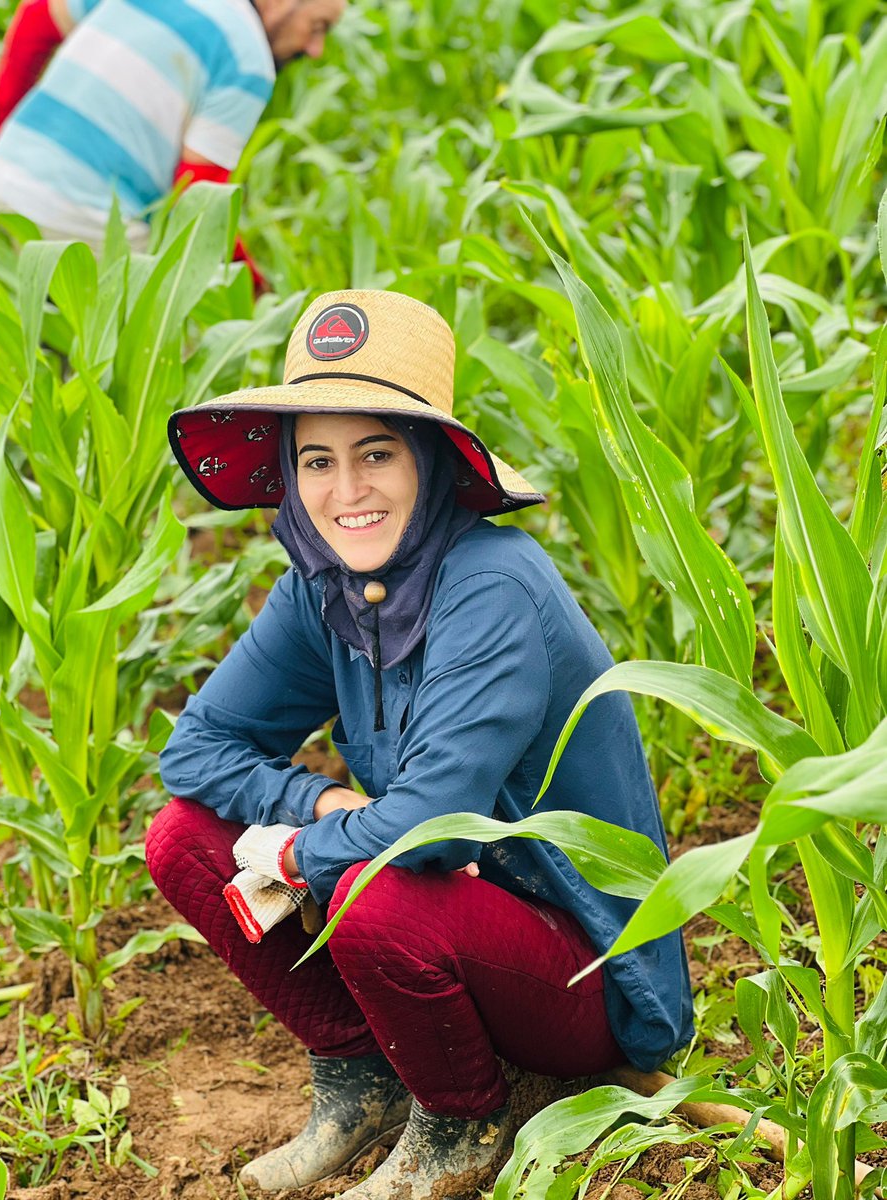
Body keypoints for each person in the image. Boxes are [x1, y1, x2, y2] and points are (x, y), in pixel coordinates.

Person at [146, 289, 694, 1198]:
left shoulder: (491, 587)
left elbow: (428, 834)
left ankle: (463, 1122)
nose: (345, 491)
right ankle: (364, 1077)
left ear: (433, 462)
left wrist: (295, 848)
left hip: (579, 967)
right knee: (182, 837)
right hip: (447, 914)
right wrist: (319, 804)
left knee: (371, 887)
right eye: (316, 459)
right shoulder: (322, 585)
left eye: (376, 453)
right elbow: (196, 749)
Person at [0, 0, 344, 261]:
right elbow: (197, 200)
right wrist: (250, 280)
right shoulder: (248, 59)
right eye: (318, 26)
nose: (316, 49)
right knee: (174, 346)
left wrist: (3, 134)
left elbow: (37, 18)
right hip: (79, 227)